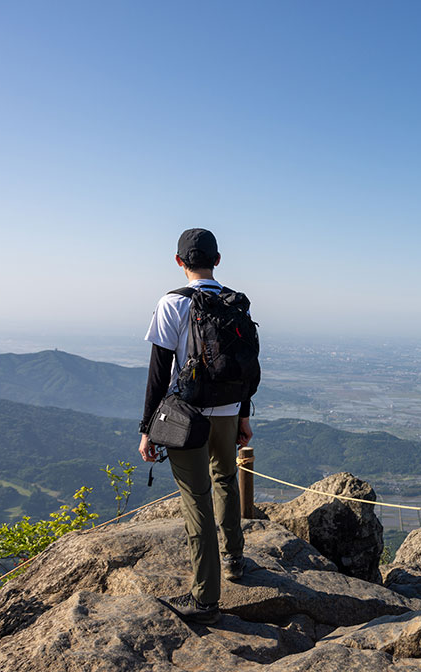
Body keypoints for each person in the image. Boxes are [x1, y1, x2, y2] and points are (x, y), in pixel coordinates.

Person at [138, 228, 254, 624]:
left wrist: (147, 427)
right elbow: (244, 368)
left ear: (178, 261)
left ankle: (206, 599)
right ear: (217, 260)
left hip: (187, 416)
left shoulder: (171, 304)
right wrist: (243, 415)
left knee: (196, 498)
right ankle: (235, 557)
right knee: (224, 478)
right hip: (228, 408)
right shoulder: (235, 303)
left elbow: (158, 372)